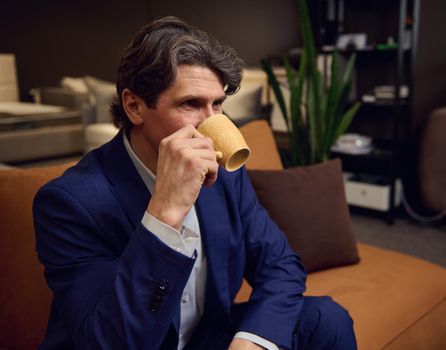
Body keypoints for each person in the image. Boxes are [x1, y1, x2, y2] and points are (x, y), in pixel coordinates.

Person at [33, 16, 357, 350]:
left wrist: (252, 341)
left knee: (327, 319)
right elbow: (110, 342)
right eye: (191, 104)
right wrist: (164, 213)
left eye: (217, 104)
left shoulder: (225, 171)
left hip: (202, 336)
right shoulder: (69, 202)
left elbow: (280, 265)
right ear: (134, 106)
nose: (212, 122)